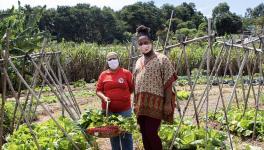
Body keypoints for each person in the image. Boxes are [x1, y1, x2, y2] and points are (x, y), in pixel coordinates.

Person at [133, 25, 177, 150]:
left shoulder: (162, 59)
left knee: (152, 133)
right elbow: (136, 83)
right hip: (141, 104)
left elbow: (168, 82)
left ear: (151, 42)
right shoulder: (138, 61)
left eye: (146, 42)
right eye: (140, 43)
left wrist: (168, 103)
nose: (143, 45)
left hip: (156, 103)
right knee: (144, 133)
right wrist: (134, 103)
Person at [96, 52, 133, 150]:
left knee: (126, 134)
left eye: (114, 58)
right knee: (113, 135)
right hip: (110, 111)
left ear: (118, 59)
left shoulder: (126, 73)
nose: (112, 61)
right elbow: (98, 91)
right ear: (107, 62)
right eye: (110, 59)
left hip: (125, 110)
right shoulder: (103, 75)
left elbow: (132, 88)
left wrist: (123, 97)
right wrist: (104, 98)